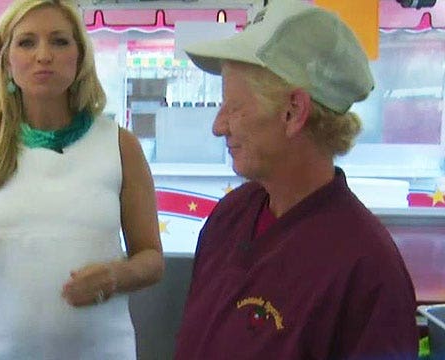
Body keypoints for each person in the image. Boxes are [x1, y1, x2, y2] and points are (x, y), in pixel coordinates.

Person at [174, 1, 418, 359]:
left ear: (293, 112)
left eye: (233, 106)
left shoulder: (367, 269)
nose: (218, 126)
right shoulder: (230, 217)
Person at [0, 0, 164, 358]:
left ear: (80, 56)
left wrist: (115, 276)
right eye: (27, 42)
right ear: (6, 61)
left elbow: (151, 258)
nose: (44, 55)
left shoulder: (120, 145)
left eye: (59, 41)